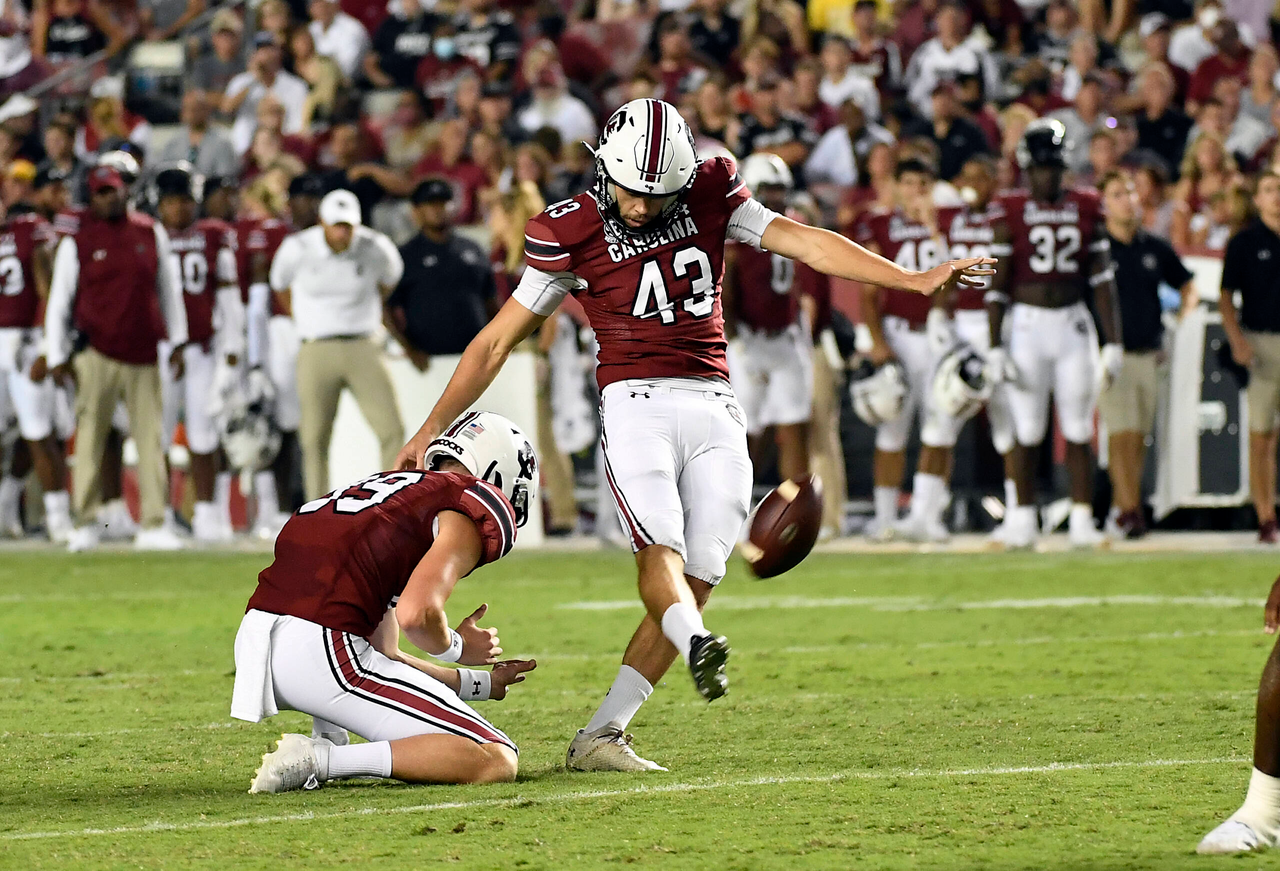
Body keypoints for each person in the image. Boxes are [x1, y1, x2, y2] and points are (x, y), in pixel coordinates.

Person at [393, 98, 992, 770]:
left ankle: (602, 733)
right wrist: (430, 426)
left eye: (659, 194)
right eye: (633, 191)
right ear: (603, 169)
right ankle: (698, 642)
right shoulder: (568, 228)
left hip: (715, 401)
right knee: (662, 548)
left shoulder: (711, 189)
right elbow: (496, 342)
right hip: (635, 403)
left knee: (703, 568)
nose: (645, 207)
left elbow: (805, 241)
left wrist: (909, 279)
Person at [231, 411, 539, 792]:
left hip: (258, 639)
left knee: (367, 663)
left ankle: (328, 739)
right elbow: (416, 614)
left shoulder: (392, 491)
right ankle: (321, 760)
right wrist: (457, 647)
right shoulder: (469, 500)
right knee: (494, 757)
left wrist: (479, 684)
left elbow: (386, 654)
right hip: (323, 648)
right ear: (500, 474)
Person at [985, 119, 1123, 550]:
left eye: (1053, 167)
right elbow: (998, 282)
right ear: (1027, 169)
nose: (1048, 176)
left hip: (1072, 324)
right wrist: (993, 345)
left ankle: (1082, 519)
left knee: (1080, 427)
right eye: (1041, 168)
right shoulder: (1009, 210)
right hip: (1027, 325)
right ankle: (1023, 517)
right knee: (1027, 428)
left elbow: (1102, 281)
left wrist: (1112, 342)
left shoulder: (1086, 205)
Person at [44, 165, 188, 552]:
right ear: (92, 198)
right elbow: (61, 300)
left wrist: (177, 340)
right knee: (89, 440)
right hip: (96, 353)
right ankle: (86, 521)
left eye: (116, 190)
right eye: (103, 192)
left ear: (126, 191)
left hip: (143, 353)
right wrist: (56, 353)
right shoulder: (80, 241)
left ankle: (154, 522)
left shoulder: (149, 231)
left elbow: (167, 289)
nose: (111, 197)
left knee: (150, 439)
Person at [899, 154, 1014, 543]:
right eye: (968, 174)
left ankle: (1020, 514)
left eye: (982, 175)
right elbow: (944, 266)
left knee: (1008, 424)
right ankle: (924, 514)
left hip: (997, 323)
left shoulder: (1005, 216)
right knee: (941, 416)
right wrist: (938, 313)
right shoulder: (954, 217)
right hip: (960, 323)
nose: (974, 182)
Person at [269, 189, 405, 502]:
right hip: (317, 346)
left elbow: (389, 282)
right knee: (314, 435)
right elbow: (279, 286)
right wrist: (304, 319)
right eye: (337, 225)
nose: (343, 232)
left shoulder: (376, 246)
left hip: (364, 344)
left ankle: (392, 504)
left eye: (348, 226)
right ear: (322, 223)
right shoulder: (298, 247)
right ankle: (316, 510)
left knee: (392, 428)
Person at [854, 157, 951, 540]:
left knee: (941, 424)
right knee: (892, 429)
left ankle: (928, 515)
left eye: (922, 183)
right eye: (907, 182)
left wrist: (933, 229)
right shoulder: (881, 224)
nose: (915, 191)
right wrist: (877, 339)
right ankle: (885, 517)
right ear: (896, 185)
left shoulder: (946, 223)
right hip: (899, 332)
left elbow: (955, 278)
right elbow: (868, 289)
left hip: (938, 333)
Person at [1097, 171, 1195, 539]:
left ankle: (1124, 508)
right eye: (1118, 193)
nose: (1127, 200)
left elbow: (1187, 285)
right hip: (1113, 352)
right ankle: (1129, 511)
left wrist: (1179, 324)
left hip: (1149, 352)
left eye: (1130, 193)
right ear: (1104, 203)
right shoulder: (1098, 250)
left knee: (1138, 436)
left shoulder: (1153, 247)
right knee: (1121, 433)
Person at [153, 165, 244, 543]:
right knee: (156, 436)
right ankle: (160, 514)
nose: (178, 210)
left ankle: (206, 512)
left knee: (204, 433)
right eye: (171, 202)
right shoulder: (147, 234)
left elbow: (228, 300)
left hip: (202, 348)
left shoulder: (212, 237)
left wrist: (232, 353)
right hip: (160, 349)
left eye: (185, 201)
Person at [240, 173, 323, 538]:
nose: (311, 205)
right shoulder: (274, 233)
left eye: (315, 198)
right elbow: (260, 290)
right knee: (281, 423)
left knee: (313, 425)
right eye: (304, 198)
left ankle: (309, 503)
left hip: (322, 332)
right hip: (284, 331)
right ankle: (275, 508)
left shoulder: (336, 234)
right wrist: (256, 354)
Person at [724, 154, 812, 484]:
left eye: (780, 189)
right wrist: (734, 337)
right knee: (743, 431)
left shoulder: (794, 223)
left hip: (786, 336)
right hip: (749, 338)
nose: (775, 196)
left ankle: (795, 511)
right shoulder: (738, 229)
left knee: (795, 426)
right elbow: (726, 289)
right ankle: (735, 510)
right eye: (768, 189)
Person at [0, 196, 72, 542]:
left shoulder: (27, 230)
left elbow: (48, 290)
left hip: (24, 340)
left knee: (38, 432)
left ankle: (59, 519)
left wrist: (46, 344)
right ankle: (6, 508)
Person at [1219, 172, 1280, 543]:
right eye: (1270, 190)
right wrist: (1237, 339)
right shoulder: (1244, 242)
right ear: (1256, 199)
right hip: (1261, 341)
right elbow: (1225, 296)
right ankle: (1265, 513)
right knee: (1262, 434)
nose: (1277, 197)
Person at [389, 179, 495, 370]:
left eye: (443, 202)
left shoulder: (472, 249)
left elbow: (491, 301)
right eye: (430, 204)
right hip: (428, 361)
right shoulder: (404, 256)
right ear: (416, 211)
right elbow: (386, 308)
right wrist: (408, 348)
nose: (438, 209)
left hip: (475, 358)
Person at [223, 32, 309, 155]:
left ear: (280, 53)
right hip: (243, 149)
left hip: (281, 150)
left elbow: (298, 126)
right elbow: (226, 109)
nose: (266, 55)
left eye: (270, 49)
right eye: (261, 50)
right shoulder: (241, 82)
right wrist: (255, 79)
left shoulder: (297, 86)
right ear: (253, 54)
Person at [153, 91, 238, 181]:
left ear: (206, 110)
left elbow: (225, 177)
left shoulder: (222, 143)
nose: (190, 114)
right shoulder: (173, 142)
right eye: (186, 109)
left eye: (195, 109)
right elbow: (163, 171)